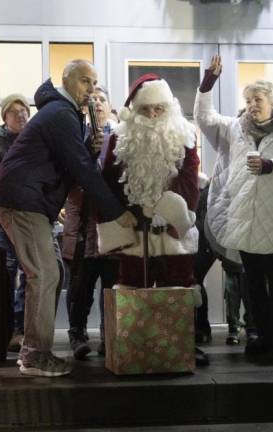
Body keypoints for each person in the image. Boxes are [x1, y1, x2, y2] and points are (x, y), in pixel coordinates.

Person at [0, 60, 136, 377]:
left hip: (30, 200)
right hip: (23, 200)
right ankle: (34, 355)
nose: (91, 90)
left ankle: (34, 350)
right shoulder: (61, 113)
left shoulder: (65, 115)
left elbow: (67, 160)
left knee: (51, 271)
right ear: (68, 81)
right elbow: (82, 169)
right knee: (44, 274)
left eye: (94, 83)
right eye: (85, 82)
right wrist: (117, 212)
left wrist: (85, 146)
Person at [194, 54, 273, 359]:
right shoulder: (236, 129)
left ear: (272, 101)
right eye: (248, 100)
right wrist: (208, 82)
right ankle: (260, 337)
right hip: (245, 223)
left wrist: (272, 165)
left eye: (257, 99)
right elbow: (204, 118)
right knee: (252, 287)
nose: (252, 105)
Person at [97, 73, 208, 365]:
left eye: (158, 109)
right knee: (133, 282)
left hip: (172, 225)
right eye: (146, 110)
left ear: (168, 107)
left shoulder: (184, 135)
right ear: (135, 111)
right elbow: (109, 181)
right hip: (134, 226)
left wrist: (170, 212)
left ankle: (182, 341)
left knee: (180, 282)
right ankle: (133, 342)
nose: (153, 115)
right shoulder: (119, 138)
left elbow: (188, 179)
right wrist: (126, 214)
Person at [61, 85, 120, 360]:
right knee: (80, 285)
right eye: (92, 98)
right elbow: (67, 174)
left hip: (112, 223)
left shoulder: (122, 136)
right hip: (84, 221)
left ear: (110, 107)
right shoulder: (75, 134)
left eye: (102, 99)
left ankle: (110, 336)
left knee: (112, 285)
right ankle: (77, 334)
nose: (97, 102)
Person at [0, 93, 31, 352]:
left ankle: (21, 329)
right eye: (14, 112)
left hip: (27, 217)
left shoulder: (33, 140)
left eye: (24, 110)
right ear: (5, 117)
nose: (21, 115)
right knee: (7, 271)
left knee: (28, 272)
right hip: (2, 219)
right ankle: (4, 329)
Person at [193, 172, 216, 344]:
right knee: (196, 282)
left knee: (196, 280)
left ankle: (201, 327)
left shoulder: (206, 191)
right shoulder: (201, 189)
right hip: (197, 244)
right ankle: (200, 327)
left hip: (203, 244)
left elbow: (205, 221)